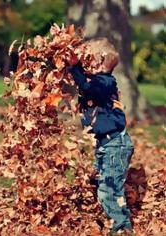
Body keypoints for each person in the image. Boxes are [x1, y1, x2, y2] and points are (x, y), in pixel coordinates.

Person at [68, 38, 135, 234]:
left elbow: (88, 88)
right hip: (107, 145)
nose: (83, 63)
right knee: (102, 181)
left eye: (87, 59)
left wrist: (74, 68)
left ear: (98, 62)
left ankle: (122, 226)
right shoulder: (98, 83)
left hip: (116, 145)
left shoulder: (105, 82)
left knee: (109, 189)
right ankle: (111, 214)